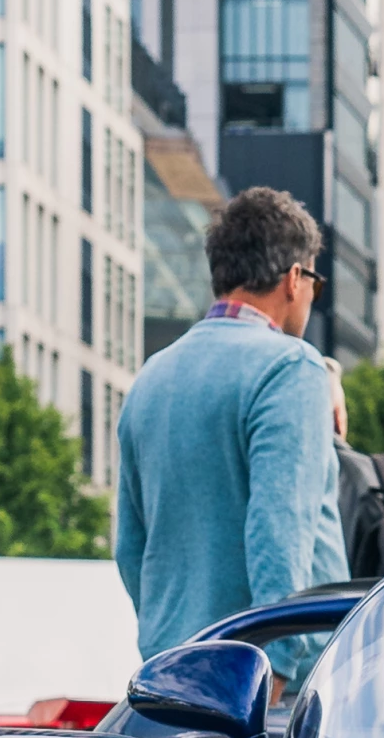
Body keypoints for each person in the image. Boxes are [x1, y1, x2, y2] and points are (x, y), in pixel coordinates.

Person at [113, 188, 349, 662]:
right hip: (266, 684)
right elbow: (278, 529)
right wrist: (278, 662)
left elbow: (130, 547)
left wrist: (165, 645)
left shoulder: (151, 377)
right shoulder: (291, 367)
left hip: (172, 670)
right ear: (293, 279)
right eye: (314, 287)